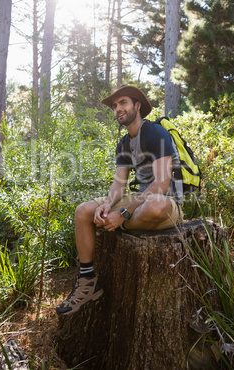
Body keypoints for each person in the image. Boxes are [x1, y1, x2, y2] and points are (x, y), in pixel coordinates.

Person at [56, 85, 183, 316]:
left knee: (155, 205)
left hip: (165, 201)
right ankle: (88, 280)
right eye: (115, 106)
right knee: (83, 211)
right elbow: (119, 185)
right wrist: (106, 205)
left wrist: (122, 214)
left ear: (137, 106)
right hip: (137, 200)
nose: (117, 109)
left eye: (123, 102)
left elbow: (162, 184)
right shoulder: (124, 143)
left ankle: (118, 225)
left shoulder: (156, 133)